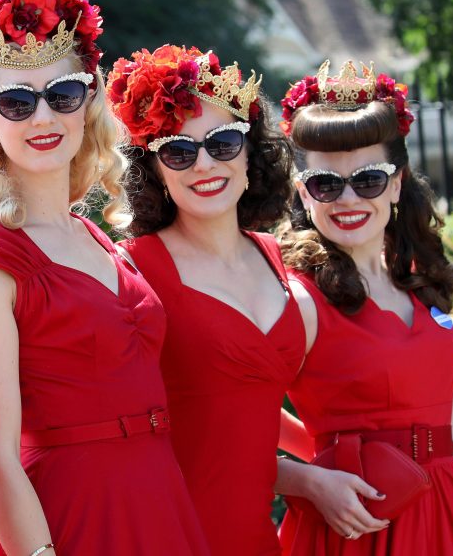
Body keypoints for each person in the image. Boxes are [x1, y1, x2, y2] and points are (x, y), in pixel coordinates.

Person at [0, 0, 210, 556]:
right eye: (16, 101)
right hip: (67, 520)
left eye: (62, 94)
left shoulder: (95, 235)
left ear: (87, 100)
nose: (43, 117)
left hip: (159, 504)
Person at [275, 60, 453, 554]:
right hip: (362, 522)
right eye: (326, 183)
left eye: (368, 179)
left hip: (449, 506)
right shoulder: (296, 298)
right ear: (304, 192)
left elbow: (449, 387)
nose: (348, 198)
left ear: (396, 182)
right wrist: (312, 478)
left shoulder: (417, 277)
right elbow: (231, 425)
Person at [109, 45, 304, 556]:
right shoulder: (132, 269)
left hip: (254, 531)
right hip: (171, 531)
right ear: (154, 169)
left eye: (223, 142)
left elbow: (242, 398)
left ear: (250, 151)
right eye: (178, 150)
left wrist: (328, 459)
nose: (204, 165)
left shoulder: (273, 255)